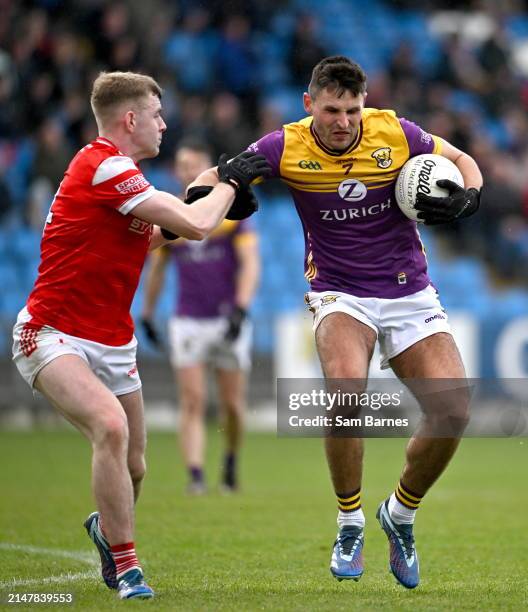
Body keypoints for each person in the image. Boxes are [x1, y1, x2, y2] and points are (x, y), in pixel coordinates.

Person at [188, 56, 483, 589]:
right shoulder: (284, 144)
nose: (344, 121)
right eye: (331, 110)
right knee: (347, 391)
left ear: (364, 104)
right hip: (338, 293)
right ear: (309, 105)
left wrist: (469, 197)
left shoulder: (395, 131)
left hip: (409, 293)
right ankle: (349, 522)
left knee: (454, 410)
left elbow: (462, 159)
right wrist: (221, 192)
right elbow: (211, 178)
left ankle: (400, 514)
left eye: (352, 109)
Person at [11, 71, 270, 600]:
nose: (164, 124)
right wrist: (229, 182)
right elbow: (198, 225)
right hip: (52, 332)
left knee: (135, 468)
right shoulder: (104, 164)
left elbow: (153, 236)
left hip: (111, 339)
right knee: (110, 427)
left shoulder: (118, 174)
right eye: (157, 114)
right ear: (131, 119)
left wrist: (210, 196)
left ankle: (105, 531)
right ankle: (128, 569)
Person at [141, 140, 260, 494]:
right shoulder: (172, 213)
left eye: (194, 164)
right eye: (182, 165)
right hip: (188, 319)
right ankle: (195, 476)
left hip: (227, 319)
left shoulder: (230, 217)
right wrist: (147, 313)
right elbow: (157, 269)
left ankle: (230, 461)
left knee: (233, 406)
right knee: (192, 401)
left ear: (208, 168)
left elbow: (250, 265)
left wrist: (241, 308)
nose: (188, 170)